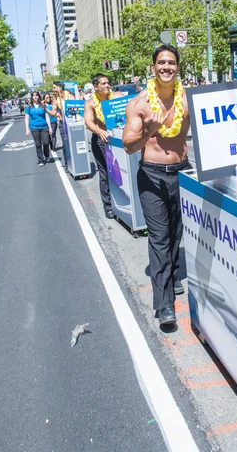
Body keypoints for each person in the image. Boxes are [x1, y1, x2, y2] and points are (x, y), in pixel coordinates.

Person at [122, 44, 191, 327]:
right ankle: (164, 305)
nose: (166, 67)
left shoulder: (189, 100)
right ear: (153, 68)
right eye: (161, 63)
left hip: (182, 172)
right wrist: (149, 130)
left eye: (171, 63)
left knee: (176, 232)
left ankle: (173, 275)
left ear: (177, 67)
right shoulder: (139, 104)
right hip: (151, 175)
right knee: (160, 237)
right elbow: (128, 146)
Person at [84, 74, 116, 219]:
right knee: (105, 174)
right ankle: (108, 206)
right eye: (103, 83)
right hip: (101, 141)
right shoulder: (90, 103)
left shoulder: (117, 97)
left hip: (118, 139)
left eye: (108, 83)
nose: (107, 85)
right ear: (95, 87)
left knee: (120, 173)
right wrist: (100, 131)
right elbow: (89, 122)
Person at [25, 91, 52, 166]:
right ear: (32, 97)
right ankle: (40, 159)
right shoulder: (29, 107)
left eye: (36, 95)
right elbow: (27, 118)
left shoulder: (42, 105)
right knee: (38, 144)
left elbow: (47, 116)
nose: (35, 97)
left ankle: (47, 155)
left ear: (39, 96)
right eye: (33, 95)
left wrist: (50, 127)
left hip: (44, 126)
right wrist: (27, 129)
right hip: (34, 127)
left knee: (46, 142)